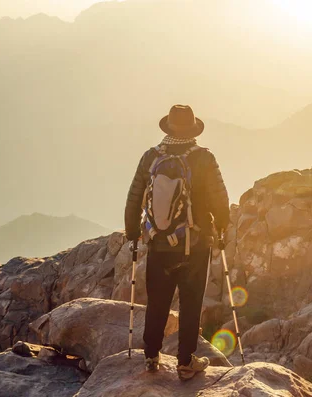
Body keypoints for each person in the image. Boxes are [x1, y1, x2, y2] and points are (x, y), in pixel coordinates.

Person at [124, 104, 230, 380]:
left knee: (157, 301)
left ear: (169, 128)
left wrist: (132, 233)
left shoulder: (150, 157)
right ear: (193, 130)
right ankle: (185, 363)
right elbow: (220, 197)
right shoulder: (204, 158)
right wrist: (221, 227)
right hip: (195, 245)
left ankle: (151, 357)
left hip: (159, 244)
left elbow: (134, 197)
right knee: (191, 302)